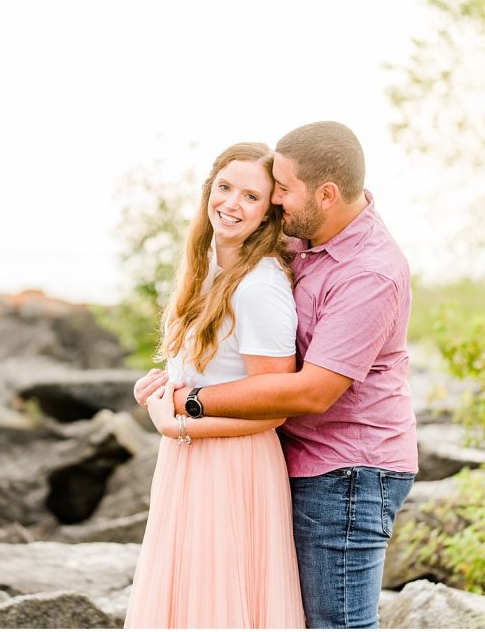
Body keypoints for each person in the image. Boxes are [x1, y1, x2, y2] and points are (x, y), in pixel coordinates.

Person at [152, 121, 418, 629]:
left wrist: (191, 403)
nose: (275, 200)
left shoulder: (370, 271)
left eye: (283, 189)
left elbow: (315, 391)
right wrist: (169, 381)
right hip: (298, 458)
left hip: (349, 471)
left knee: (336, 625)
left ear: (327, 193)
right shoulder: (306, 240)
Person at [123, 142, 305, 629]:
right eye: (225, 188)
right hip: (189, 461)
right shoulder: (204, 271)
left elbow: (274, 407)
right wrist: (163, 387)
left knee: (220, 609)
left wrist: (180, 427)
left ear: (269, 211)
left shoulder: (260, 286)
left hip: (232, 467)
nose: (231, 204)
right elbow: (212, 372)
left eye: (250, 196)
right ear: (209, 190)